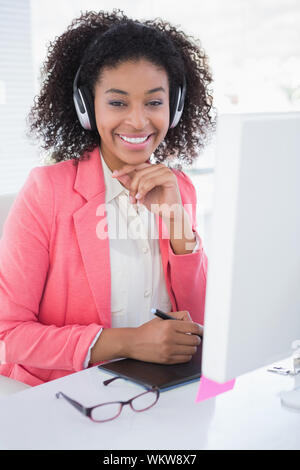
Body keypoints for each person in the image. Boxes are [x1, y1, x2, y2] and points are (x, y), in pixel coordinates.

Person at [0, 9, 216, 386]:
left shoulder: (179, 187)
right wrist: (128, 343)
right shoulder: (46, 192)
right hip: (70, 394)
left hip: (161, 390)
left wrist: (178, 222)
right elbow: (8, 335)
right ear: (87, 108)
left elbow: (198, 327)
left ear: (175, 107)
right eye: (117, 103)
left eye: (154, 102)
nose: (137, 121)